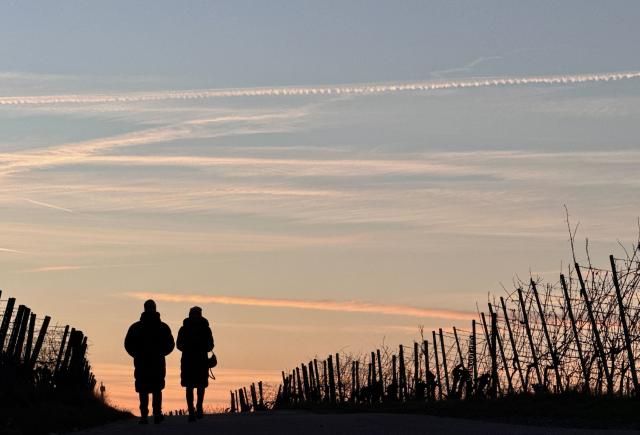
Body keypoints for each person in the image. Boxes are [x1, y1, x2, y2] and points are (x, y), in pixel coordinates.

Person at [124, 299, 175, 424]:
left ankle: (145, 416)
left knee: (144, 388)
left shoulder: (136, 327)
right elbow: (170, 344)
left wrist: (136, 354)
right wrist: (162, 353)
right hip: (156, 362)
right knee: (155, 388)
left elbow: (128, 344)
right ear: (154, 308)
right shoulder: (162, 327)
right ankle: (155, 414)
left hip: (143, 362)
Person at [176, 306, 214, 422]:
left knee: (197, 385)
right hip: (191, 361)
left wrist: (195, 347)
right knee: (191, 386)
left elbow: (210, 345)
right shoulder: (186, 329)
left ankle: (197, 408)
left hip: (196, 360)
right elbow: (179, 345)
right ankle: (193, 410)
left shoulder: (203, 328)